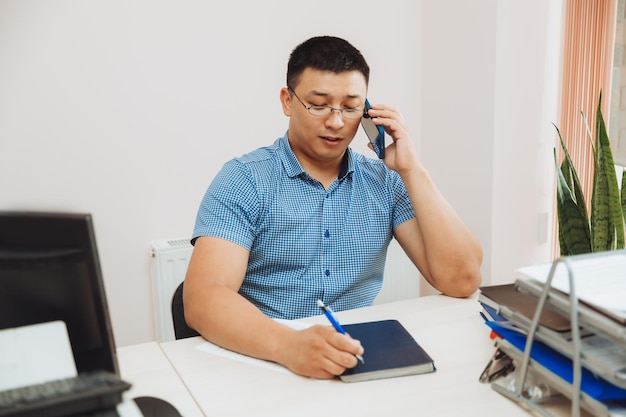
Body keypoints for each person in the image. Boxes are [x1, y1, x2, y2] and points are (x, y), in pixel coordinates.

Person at [184, 35, 482, 379]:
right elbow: (203, 298)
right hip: (267, 357)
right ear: (287, 101)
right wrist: (289, 346)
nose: (337, 121)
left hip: (355, 358)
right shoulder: (245, 179)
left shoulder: (385, 181)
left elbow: (462, 280)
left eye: (351, 106)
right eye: (319, 104)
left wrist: (413, 170)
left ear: (368, 112)